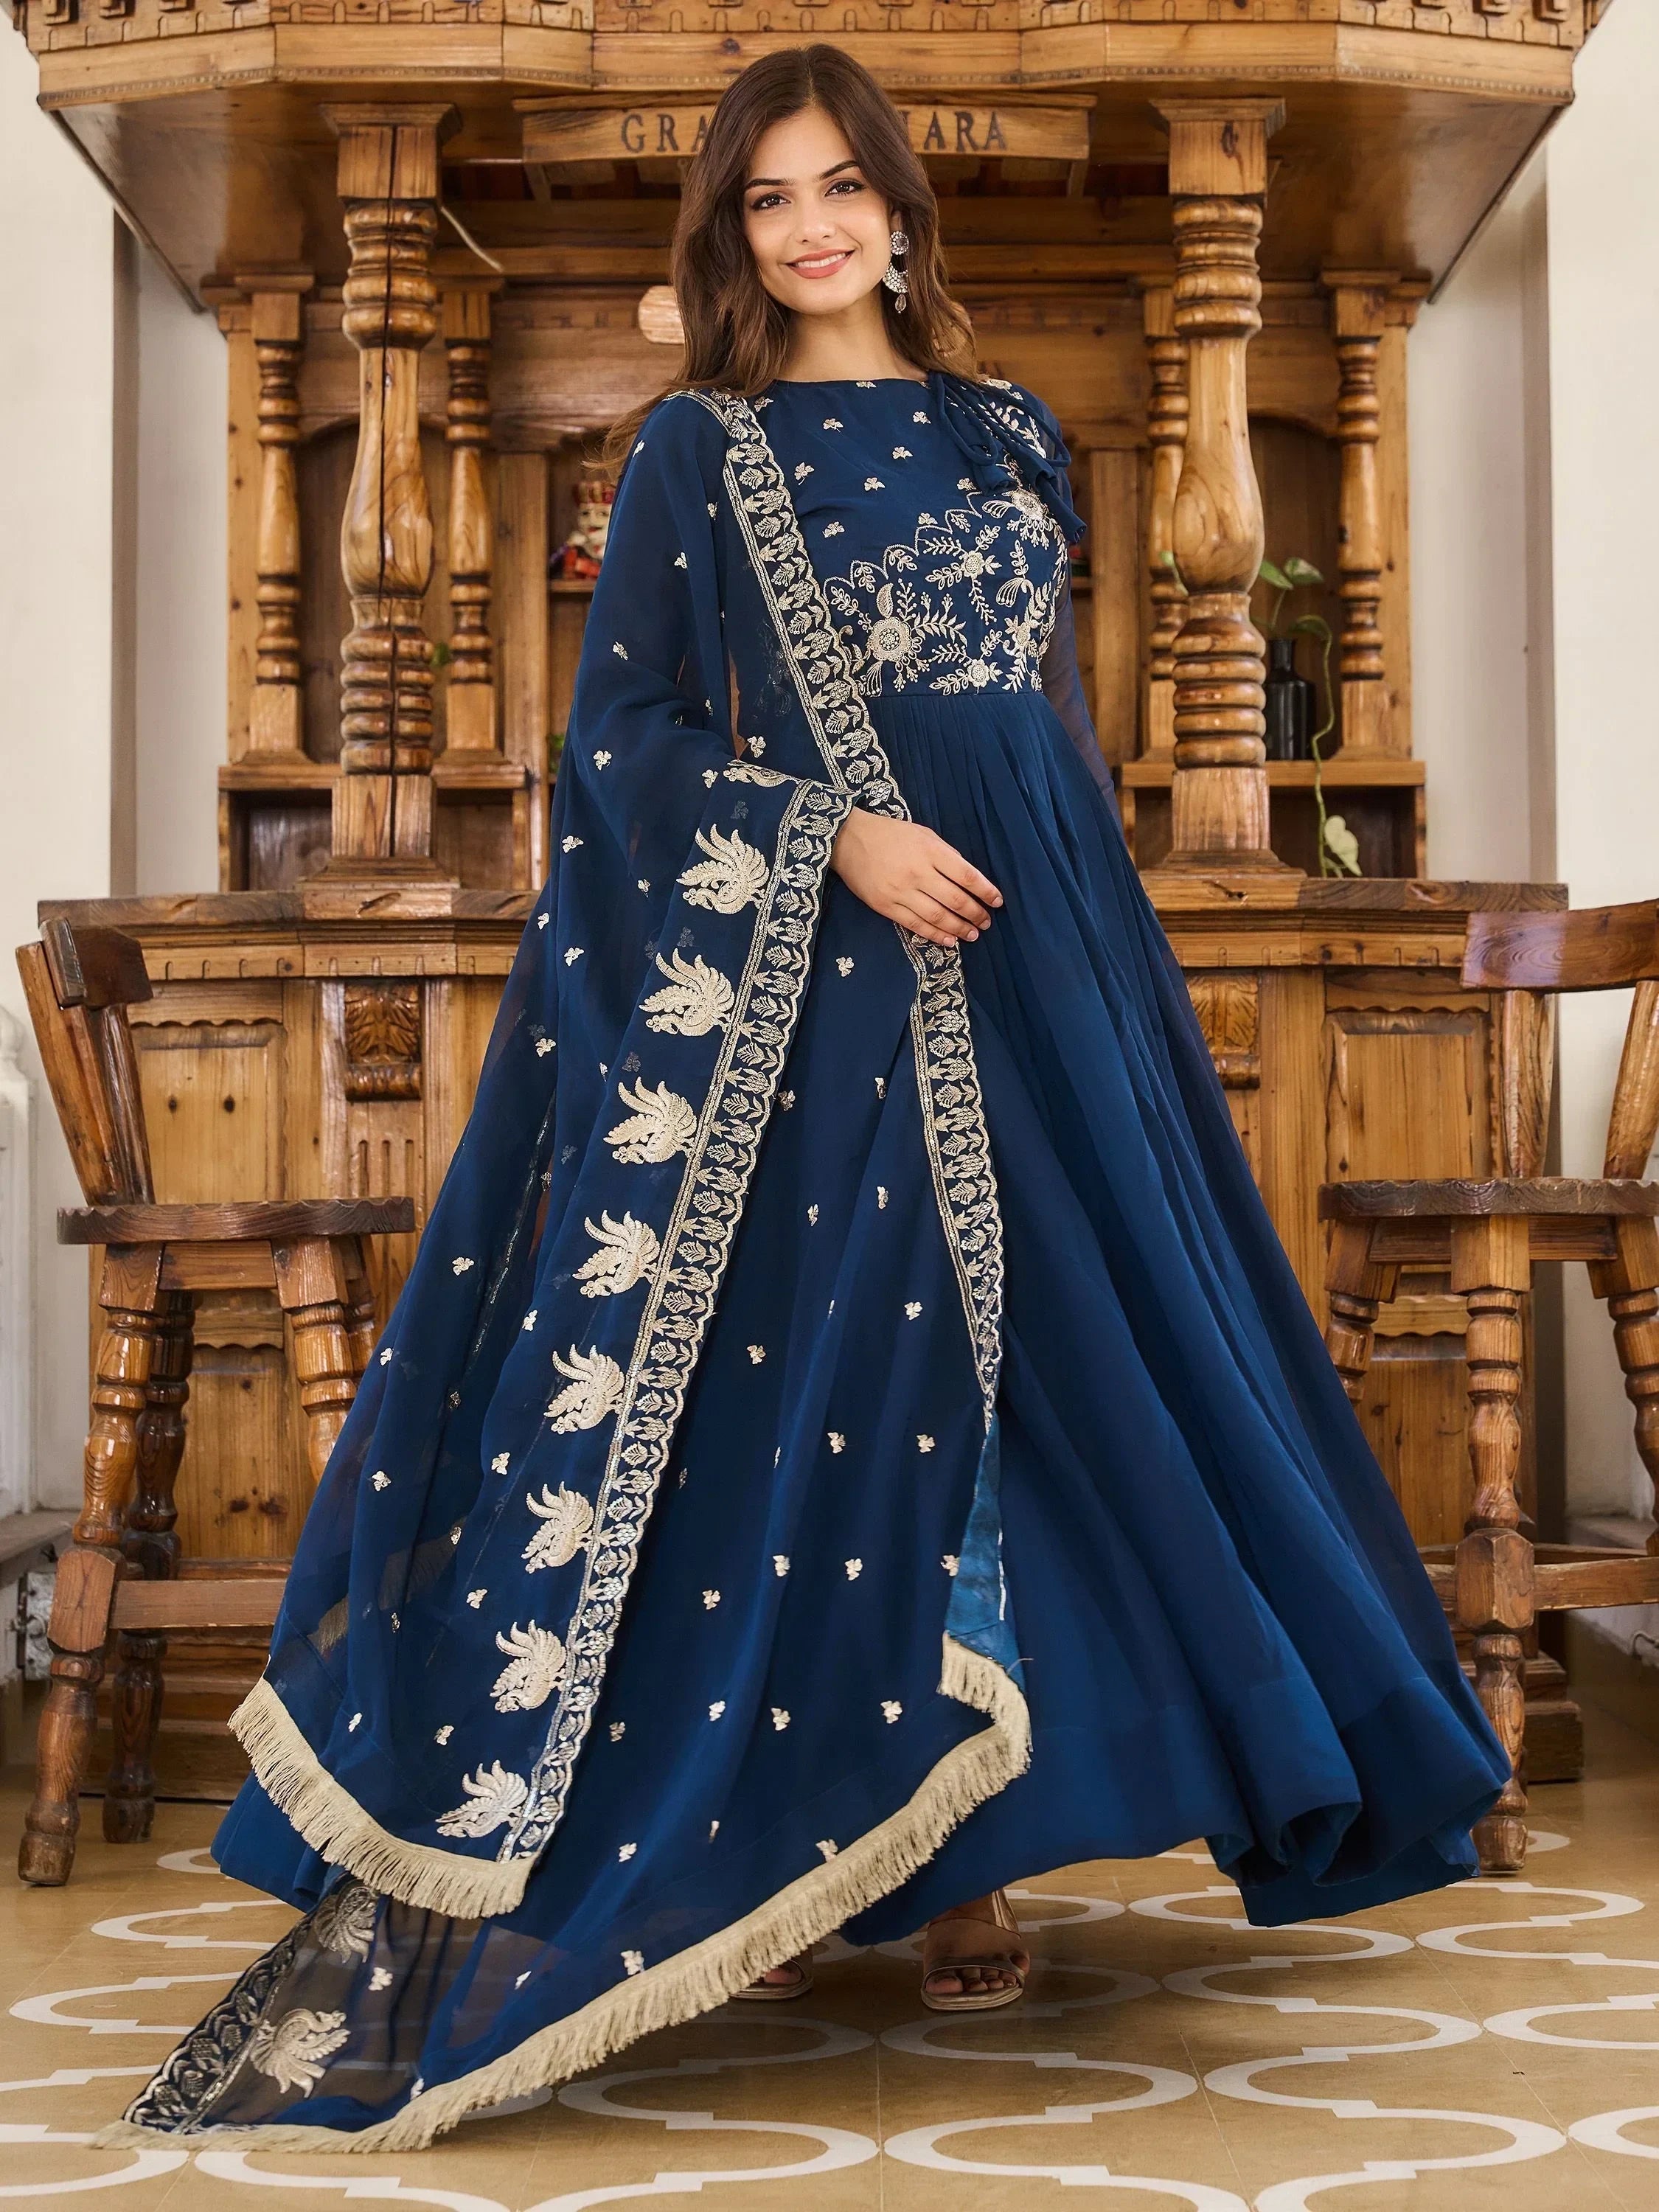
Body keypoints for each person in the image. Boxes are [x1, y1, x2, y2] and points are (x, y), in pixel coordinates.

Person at [100, 45, 1512, 2154]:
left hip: (1044, 944)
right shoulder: (702, 450)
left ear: (899, 211)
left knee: (1082, 1369)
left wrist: (1077, 935)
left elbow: (1041, 715)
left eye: (843, 186)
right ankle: (821, 1832)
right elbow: (627, 736)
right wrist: (829, 839)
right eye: (772, 198)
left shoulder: (1012, 431)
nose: (815, 225)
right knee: (863, 1378)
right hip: (831, 973)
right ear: (730, 233)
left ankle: (977, 1853)